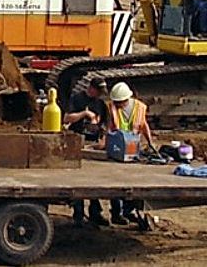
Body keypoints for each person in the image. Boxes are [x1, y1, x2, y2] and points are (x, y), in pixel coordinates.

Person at [107, 81, 154, 226]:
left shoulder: (139, 107)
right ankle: (116, 214)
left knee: (132, 184)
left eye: (119, 102)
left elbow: (143, 124)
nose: (117, 105)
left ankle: (128, 211)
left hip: (133, 148)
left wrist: (150, 142)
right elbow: (110, 127)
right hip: (117, 149)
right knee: (115, 185)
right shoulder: (112, 107)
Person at [64, 79, 109, 227]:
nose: (99, 95)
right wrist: (84, 113)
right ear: (91, 88)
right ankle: (78, 214)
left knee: (94, 182)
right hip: (77, 142)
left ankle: (95, 213)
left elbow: (104, 126)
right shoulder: (77, 99)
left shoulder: (101, 104)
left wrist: (102, 139)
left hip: (93, 145)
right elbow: (67, 118)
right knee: (79, 181)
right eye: (98, 91)